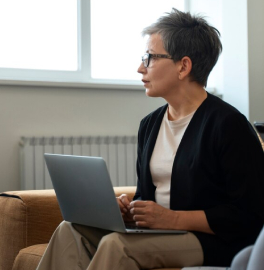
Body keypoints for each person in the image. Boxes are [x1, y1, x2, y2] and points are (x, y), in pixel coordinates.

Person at [37, 8, 264, 270]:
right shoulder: (150, 125)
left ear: (183, 66)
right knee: (70, 229)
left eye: (150, 58)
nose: (140, 67)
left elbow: (249, 214)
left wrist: (173, 219)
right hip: (160, 234)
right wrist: (130, 210)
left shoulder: (228, 125)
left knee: (116, 245)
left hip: (211, 241)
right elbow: (149, 195)